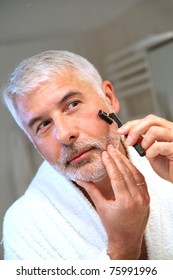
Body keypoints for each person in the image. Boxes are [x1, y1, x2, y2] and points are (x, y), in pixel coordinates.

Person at [2, 50, 173, 260]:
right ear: (33, 141)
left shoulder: (167, 159)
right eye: (43, 124)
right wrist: (122, 247)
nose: (64, 134)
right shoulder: (24, 227)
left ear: (109, 98)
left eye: (72, 105)